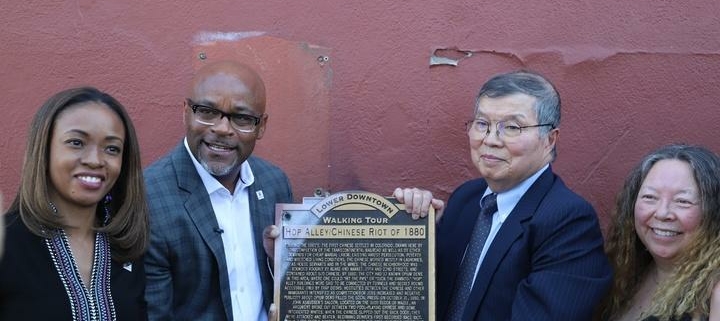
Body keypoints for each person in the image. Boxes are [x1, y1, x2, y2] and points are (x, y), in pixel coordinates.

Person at [396, 70, 612, 320]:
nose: (491, 140)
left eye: (511, 127)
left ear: (550, 139)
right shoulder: (465, 200)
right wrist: (416, 231)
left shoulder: (569, 222)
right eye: (482, 124)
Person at [144, 61, 292, 321]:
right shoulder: (148, 197)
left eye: (242, 118)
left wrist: (274, 262)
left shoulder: (274, 183)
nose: (223, 129)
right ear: (186, 112)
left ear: (262, 126)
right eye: (208, 112)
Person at [0, 87, 149, 320]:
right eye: (76, 142)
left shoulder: (128, 246)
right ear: (44, 150)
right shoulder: (7, 241)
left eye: (111, 148)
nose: (95, 160)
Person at [595, 144, 720, 321]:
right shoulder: (625, 274)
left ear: (714, 212)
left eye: (682, 201)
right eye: (650, 197)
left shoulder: (715, 291)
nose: (662, 213)